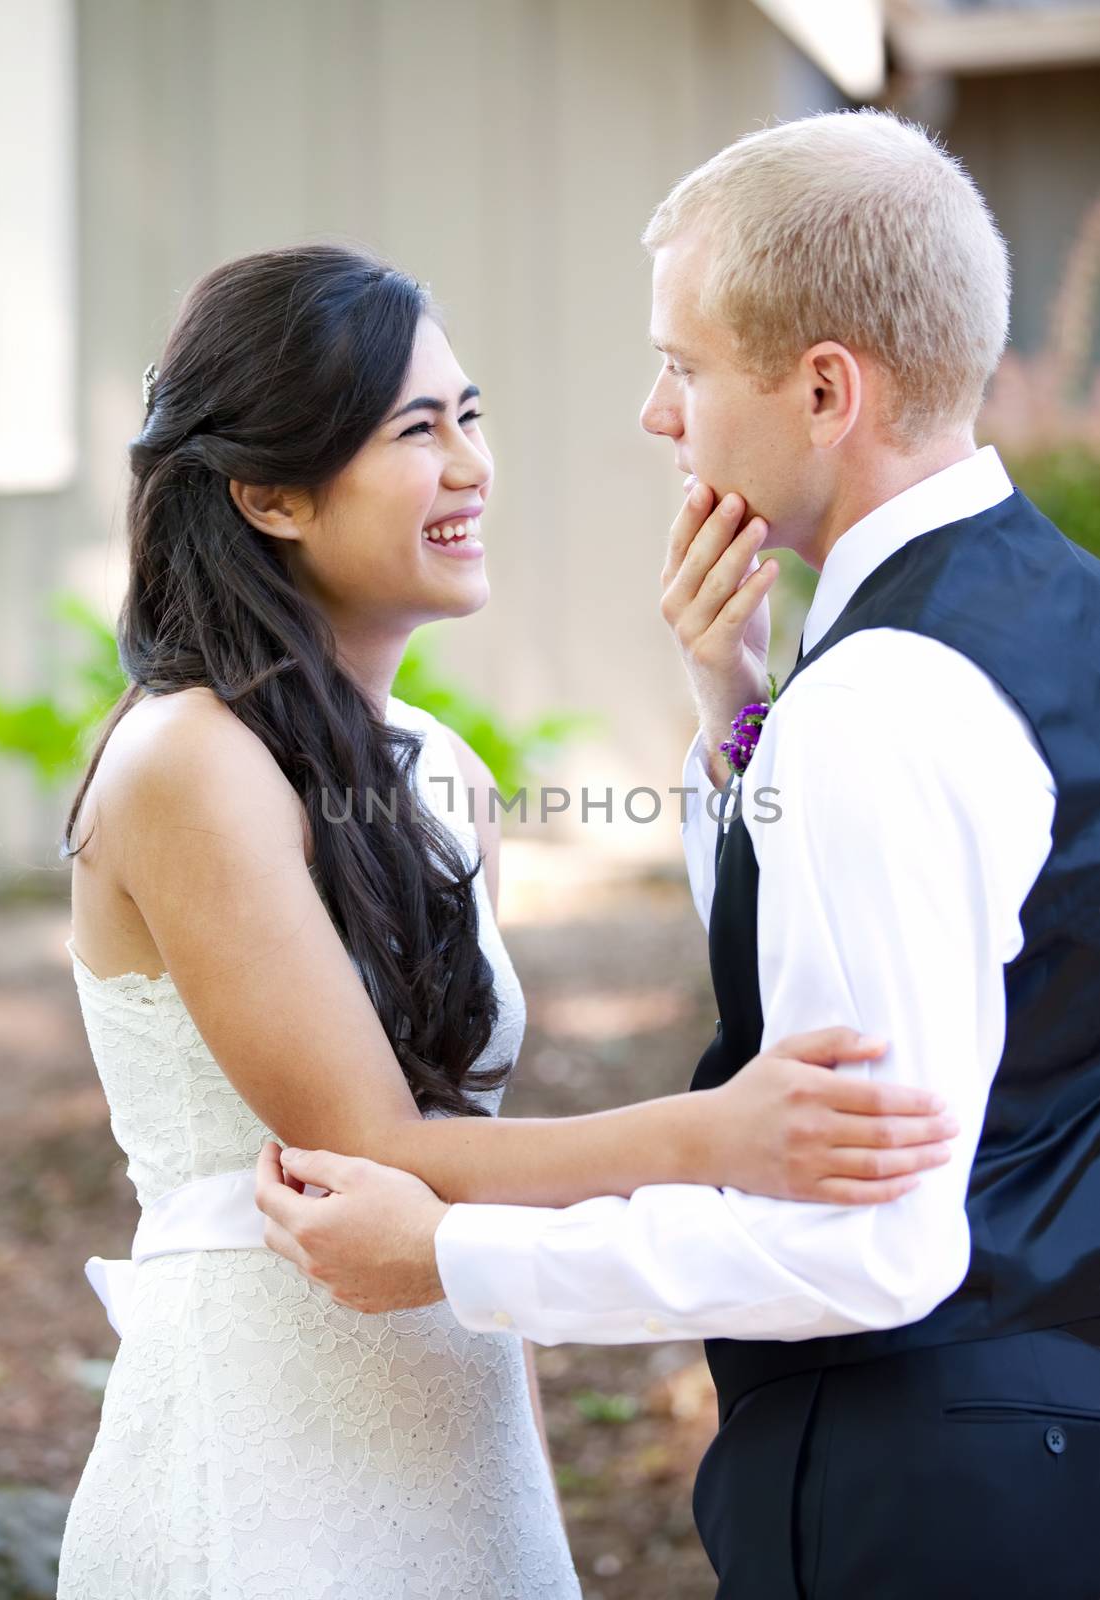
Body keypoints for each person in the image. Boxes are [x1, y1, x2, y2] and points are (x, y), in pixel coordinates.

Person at [257, 110, 1100, 1600]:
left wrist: (454, 1259)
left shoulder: (884, 700)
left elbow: (869, 1250)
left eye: (683, 366)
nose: (657, 414)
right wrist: (739, 715)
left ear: (825, 387)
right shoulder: (1052, 615)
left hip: (924, 1495)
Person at [56, 242, 951, 1600]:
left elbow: (471, 1158)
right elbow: (370, 1143)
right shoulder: (186, 758)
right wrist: (717, 1141)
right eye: (417, 430)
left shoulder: (433, 772)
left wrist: (732, 702)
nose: (472, 466)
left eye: (469, 417)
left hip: (459, 1411)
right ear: (268, 492)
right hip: (261, 1454)